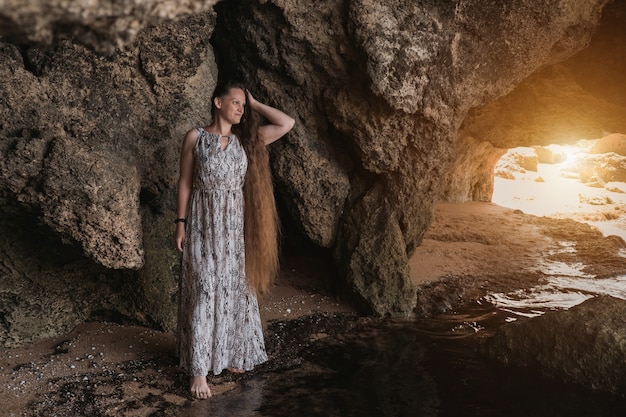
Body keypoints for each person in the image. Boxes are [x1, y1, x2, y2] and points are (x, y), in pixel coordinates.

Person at [174, 81, 295, 399]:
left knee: (232, 291)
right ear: (217, 102)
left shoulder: (247, 141)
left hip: (234, 230)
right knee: (203, 291)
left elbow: (286, 123)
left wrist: (255, 104)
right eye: (236, 102)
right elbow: (185, 183)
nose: (240, 109)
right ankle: (198, 371)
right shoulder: (195, 137)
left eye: (243, 105)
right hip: (202, 225)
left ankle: (228, 356)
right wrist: (181, 224)